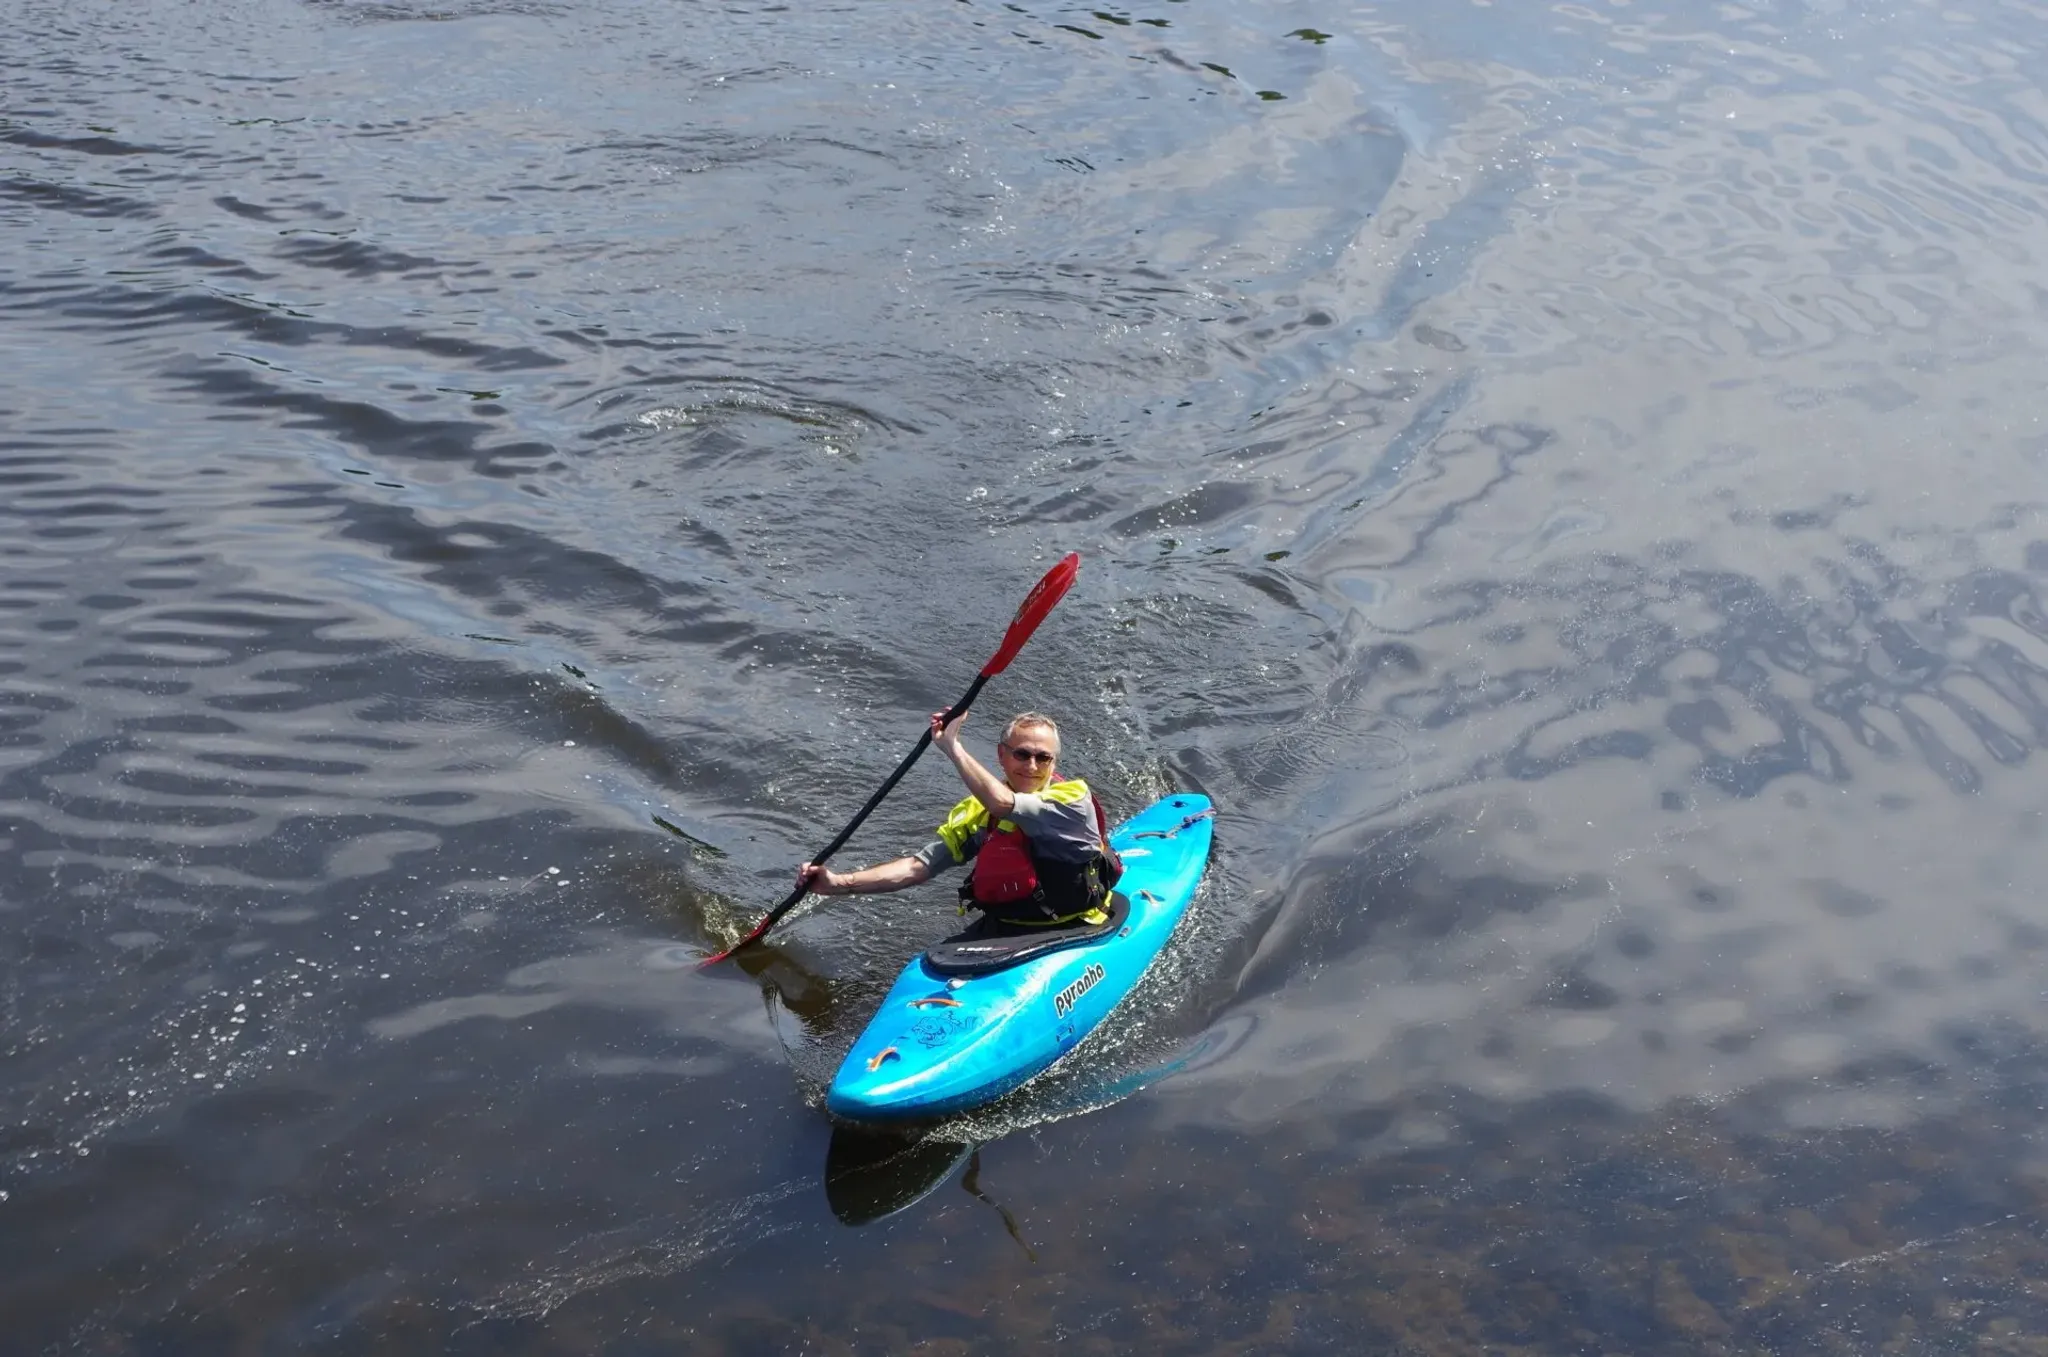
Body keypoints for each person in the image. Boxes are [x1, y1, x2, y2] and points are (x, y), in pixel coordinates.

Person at [796, 710, 1117, 936]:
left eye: (1043, 757)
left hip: (1079, 923)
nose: (1032, 766)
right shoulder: (978, 812)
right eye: (1021, 754)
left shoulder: (1072, 799)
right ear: (1001, 756)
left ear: (1053, 763)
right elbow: (917, 867)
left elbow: (1004, 804)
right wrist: (838, 883)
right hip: (1011, 926)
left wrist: (952, 746)